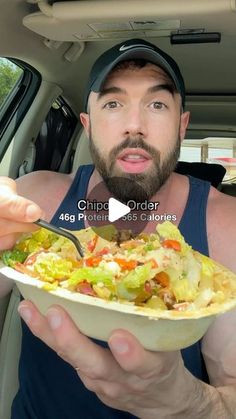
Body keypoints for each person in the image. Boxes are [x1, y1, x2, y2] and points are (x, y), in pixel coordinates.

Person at [0, 38, 236, 419]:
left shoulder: (227, 224)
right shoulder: (38, 199)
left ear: (182, 125)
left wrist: (188, 404)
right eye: (113, 103)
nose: (134, 126)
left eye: (157, 104)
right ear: (88, 125)